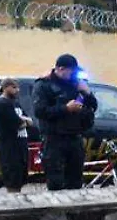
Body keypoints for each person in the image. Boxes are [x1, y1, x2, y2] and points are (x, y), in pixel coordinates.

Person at [33, 54, 97, 191]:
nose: (73, 75)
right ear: (61, 69)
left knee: (75, 182)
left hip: (75, 138)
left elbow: (93, 106)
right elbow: (40, 111)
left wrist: (87, 92)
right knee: (56, 182)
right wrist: (66, 109)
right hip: (54, 139)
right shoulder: (44, 85)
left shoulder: (76, 85)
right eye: (71, 72)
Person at [0, 77, 32, 193]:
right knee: (12, 182)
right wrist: (24, 121)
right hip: (10, 149)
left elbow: (29, 121)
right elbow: (18, 124)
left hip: (21, 147)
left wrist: (24, 120)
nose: (18, 90)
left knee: (20, 180)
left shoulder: (15, 103)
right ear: (6, 88)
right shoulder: (2, 104)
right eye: (14, 87)